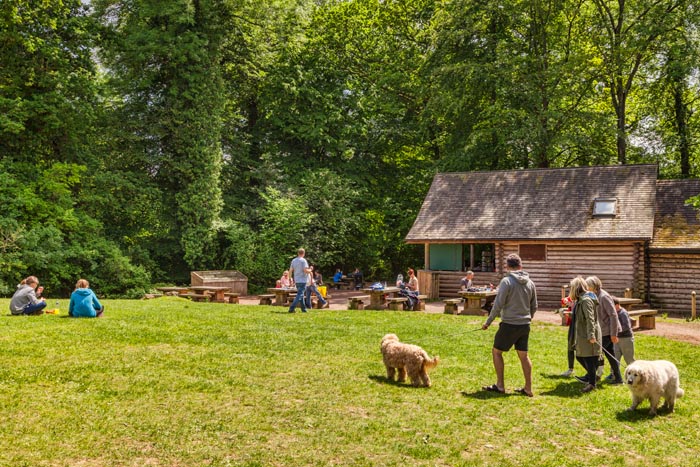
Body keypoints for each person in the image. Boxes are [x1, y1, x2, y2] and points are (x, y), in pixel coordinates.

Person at [481, 254, 537, 397]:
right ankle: (528, 388)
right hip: (525, 325)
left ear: (507, 266)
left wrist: (488, 322)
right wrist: (528, 318)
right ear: (520, 266)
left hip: (509, 324)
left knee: (496, 352)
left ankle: (500, 386)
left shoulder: (506, 282)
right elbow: (534, 306)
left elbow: (498, 304)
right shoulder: (530, 283)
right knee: (524, 356)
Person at [585, 276, 623, 385]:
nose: (586, 288)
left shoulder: (604, 297)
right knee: (610, 355)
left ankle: (591, 377)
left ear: (593, 286)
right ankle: (618, 379)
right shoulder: (594, 295)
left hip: (607, 331)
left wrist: (613, 334)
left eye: (588, 286)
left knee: (597, 354)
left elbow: (613, 315)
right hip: (602, 330)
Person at [568, 276, 602, 393]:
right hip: (582, 333)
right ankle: (592, 377)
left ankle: (592, 383)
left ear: (576, 288)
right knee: (581, 356)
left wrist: (591, 335)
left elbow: (590, 319)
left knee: (589, 358)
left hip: (588, 333)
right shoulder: (581, 299)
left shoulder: (586, 300)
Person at [611, 296, 635, 371]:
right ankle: (613, 374)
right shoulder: (614, 313)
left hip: (626, 338)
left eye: (611, 305)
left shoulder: (622, 313)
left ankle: (634, 372)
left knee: (628, 358)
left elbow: (626, 326)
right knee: (615, 357)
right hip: (617, 338)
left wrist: (615, 330)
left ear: (617, 305)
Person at [288, 248, 311, 313]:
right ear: (304, 253)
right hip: (303, 280)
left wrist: (290, 279)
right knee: (300, 295)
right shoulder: (303, 261)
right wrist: (311, 270)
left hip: (297, 280)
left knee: (300, 294)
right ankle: (291, 308)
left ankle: (304, 309)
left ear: (298, 253)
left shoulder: (293, 260)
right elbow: (305, 270)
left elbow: (290, 270)